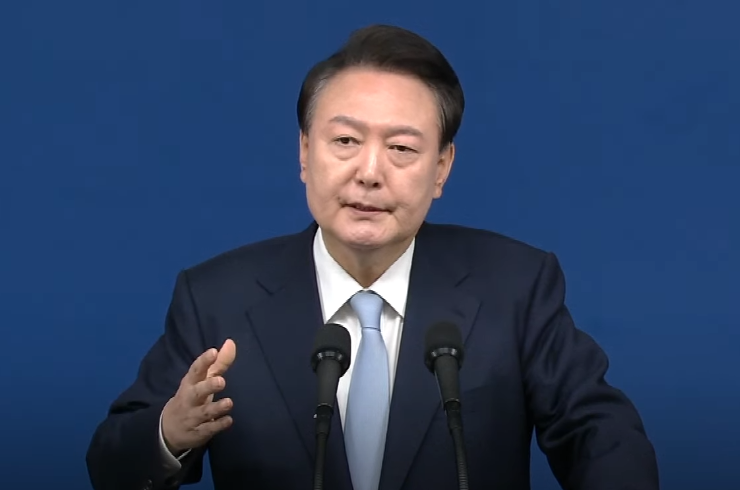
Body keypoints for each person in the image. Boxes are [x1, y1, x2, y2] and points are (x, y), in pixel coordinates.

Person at [86, 24, 659, 490]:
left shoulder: (515, 285)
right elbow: (110, 464)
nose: (369, 172)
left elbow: (600, 433)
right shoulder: (216, 298)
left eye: (402, 148)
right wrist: (170, 433)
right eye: (345, 141)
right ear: (304, 152)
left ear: (441, 168)